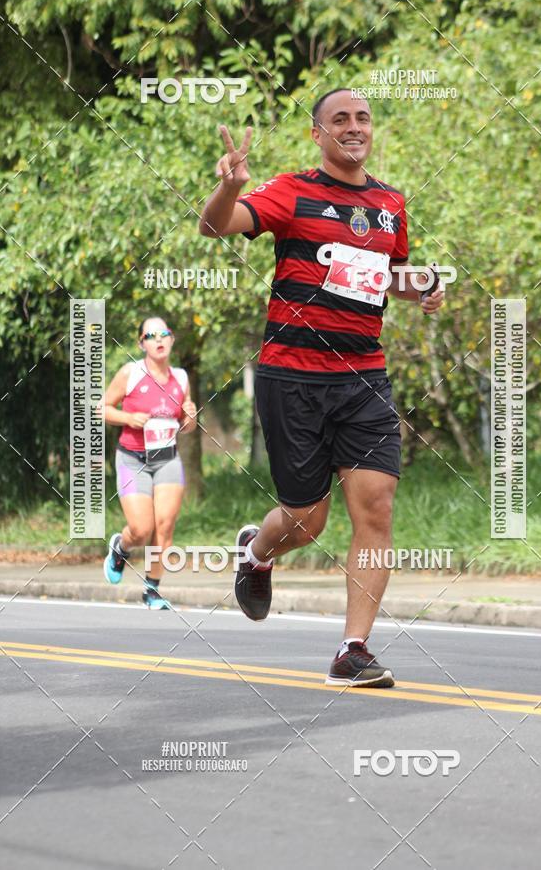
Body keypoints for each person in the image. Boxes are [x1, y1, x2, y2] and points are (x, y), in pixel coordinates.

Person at [199, 88, 444, 685]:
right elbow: (215, 226)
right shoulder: (292, 191)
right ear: (319, 134)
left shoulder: (390, 203)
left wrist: (423, 287)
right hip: (293, 377)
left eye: (362, 118)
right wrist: (230, 183)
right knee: (308, 521)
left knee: (377, 509)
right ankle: (258, 551)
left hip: (364, 377)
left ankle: (352, 649)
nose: (354, 127)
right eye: (340, 119)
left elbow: (383, 277)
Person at [101, 317, 197, 609]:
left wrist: (191, 417)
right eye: (151, 335)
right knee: (141, 529)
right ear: (141, 343)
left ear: (171, 340)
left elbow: (186, 424)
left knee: (165, 527)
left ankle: (152, 590)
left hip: (167, 459)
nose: (159, 339)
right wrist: (128, 418)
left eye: (164, 334)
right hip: (133, 458)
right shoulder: (131, 373)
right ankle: (121, 548)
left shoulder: (181, 377)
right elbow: (102, 408)